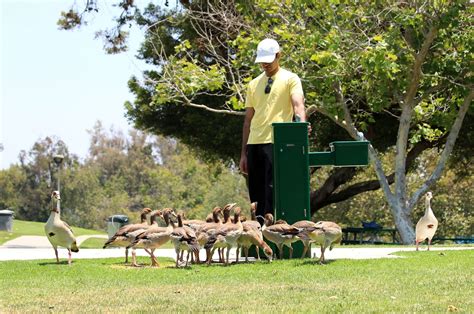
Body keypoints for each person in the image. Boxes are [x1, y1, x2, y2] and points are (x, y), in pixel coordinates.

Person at [239, 38, 307, 223]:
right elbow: (248, 120)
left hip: (276, 142)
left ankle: (274, 231)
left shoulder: (290, 78)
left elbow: (298, 106)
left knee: (272, 190)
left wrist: (301, 129)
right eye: (262, 61)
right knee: (256, 192)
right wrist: (243, 154)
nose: (265, 64)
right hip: (254, 143)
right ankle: (258, 231)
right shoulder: (253, 84)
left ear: (279, 56)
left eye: (269, 60)